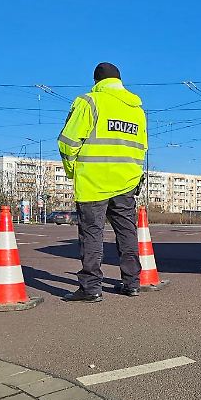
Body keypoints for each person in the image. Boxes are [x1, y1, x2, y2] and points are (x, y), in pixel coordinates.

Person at [58, 62, 147, 302]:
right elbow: (141, 149)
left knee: (92, 236)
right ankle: (132, 283)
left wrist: (72, 170)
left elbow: (67, 142)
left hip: (93, 182)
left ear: (96, 81)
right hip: (126, 183)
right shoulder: (137, 109)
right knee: (127, 233)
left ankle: (91, 288)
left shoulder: (89, 102)